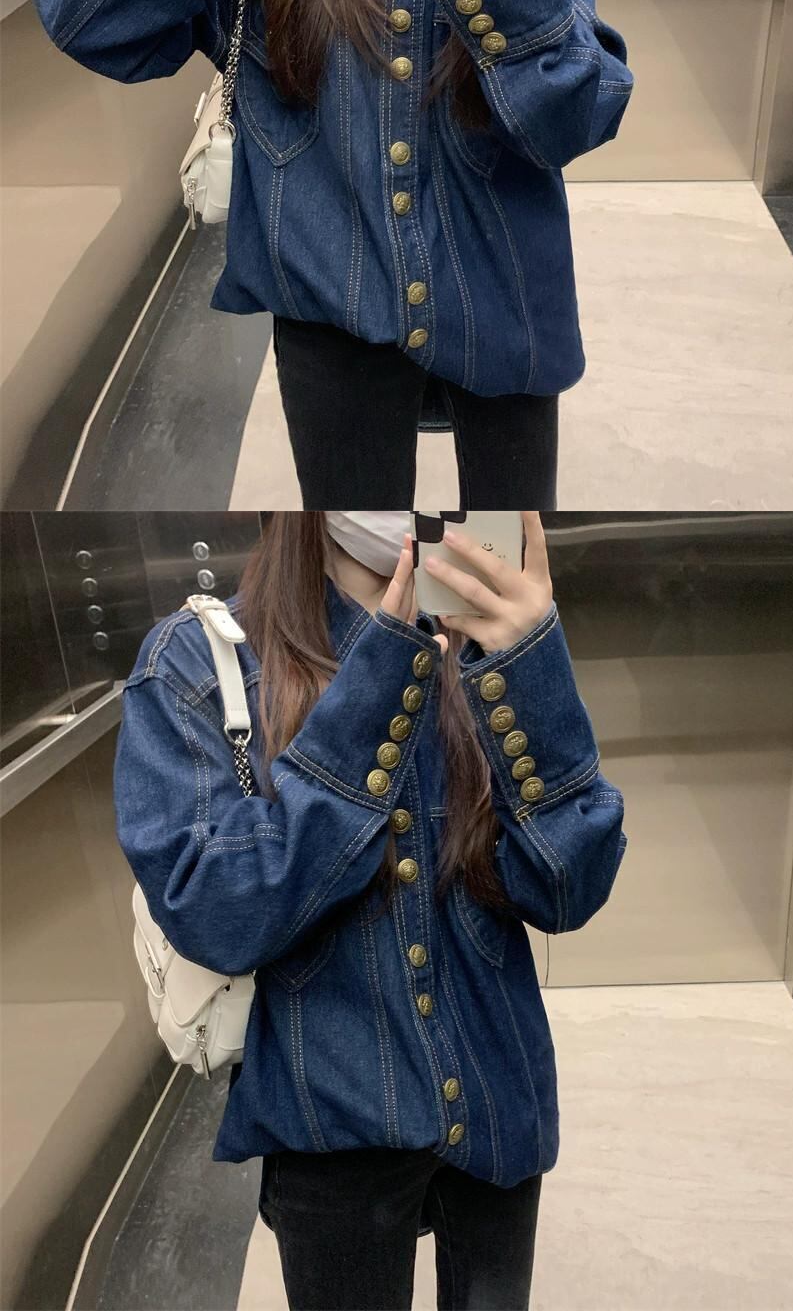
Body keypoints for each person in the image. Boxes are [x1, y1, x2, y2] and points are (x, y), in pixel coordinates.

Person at [31, 0, 633, 507]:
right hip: (328, 309)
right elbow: (88, 15)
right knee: (358, 535)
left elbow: (573, 123)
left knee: (501, 540)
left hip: (504, 296)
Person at [114, 510, 626, 1311]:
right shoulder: (197, 660)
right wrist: (380, 675)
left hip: (496, 1098)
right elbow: (217, 914)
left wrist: (530, 665)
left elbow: (568, 890)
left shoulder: (483, 639)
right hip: (331, 1118)